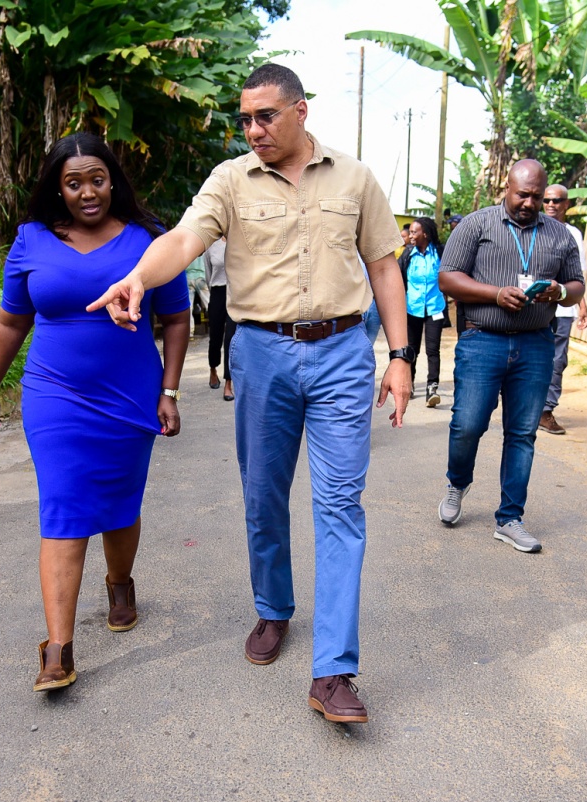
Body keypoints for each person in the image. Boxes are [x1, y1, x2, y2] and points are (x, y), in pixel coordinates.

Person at [88, 63, 413, 724]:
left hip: (344, 352)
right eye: (245, 119)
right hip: (261, 353)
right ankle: (273, 608)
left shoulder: (355, 178)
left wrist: (401, 355)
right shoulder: (230, 180)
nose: (253, 129)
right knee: (264, 494)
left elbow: (383, 263)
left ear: (300, 111)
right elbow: (184, 238)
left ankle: (334, 670)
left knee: (341, 506)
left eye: (265, 116)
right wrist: (139, 280)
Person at [0, 134, 190, 692]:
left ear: (113, 179)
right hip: (54, 394)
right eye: (74, 183)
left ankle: (120, 582)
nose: (87, 192)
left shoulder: (150, 241)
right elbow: (10, 323)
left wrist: (170, 390)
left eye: (97, 179)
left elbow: (175, 320)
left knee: (121, 501)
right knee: (64, 506)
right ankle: (59, 649)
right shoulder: (30, 240)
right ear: (58, 187)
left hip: (128, 393)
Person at [436, 159, 585, 553]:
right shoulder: (477, 225)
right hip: (482, 339)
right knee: (467, 424)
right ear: (507, 186)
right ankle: (457, 482)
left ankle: (510, 518)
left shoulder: (560, 235)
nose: (529, 203)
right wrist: (495, 293)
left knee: (522, 433)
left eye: (537, 196)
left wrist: (560, 292)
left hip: (536, 343)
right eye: (522, 194)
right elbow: (448, 276)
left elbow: (577, 285)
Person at [539, 184, 587, 435]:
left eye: (556, 200)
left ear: (566, 204)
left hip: (562, 309)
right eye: (546, 200)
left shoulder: (573, 234)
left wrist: (582, 305)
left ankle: (546, 411)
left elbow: (577, 275)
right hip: (534, 308)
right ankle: (526, 407)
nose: (551, 204)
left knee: (558, 361)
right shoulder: (533, 228)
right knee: (532, 357)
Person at [400, 216, 447, 407]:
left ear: (425, 234)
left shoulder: (440, 252)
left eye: (414, 232)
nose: (410, 236)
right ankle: (409, 384)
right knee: (412, 348)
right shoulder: (408, 254)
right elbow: (398, 276)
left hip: (435, 307)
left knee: (433, 349)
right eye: (410, 232)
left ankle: (431, 389)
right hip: (413, 308)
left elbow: (450, 275)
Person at [203, 236, 236, 400]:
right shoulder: (211, 246)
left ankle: (228, 382)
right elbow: (208, 275)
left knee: (230, 338)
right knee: (215, 336)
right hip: (217, 293)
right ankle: (213, 368)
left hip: (234, 294)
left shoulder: (237, 242)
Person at [186, 255, 210, 337]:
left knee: (188, 307)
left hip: (188, 278)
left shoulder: (186, 247)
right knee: (210, 304)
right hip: (201, 277)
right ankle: (217, 325)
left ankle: (190, 332)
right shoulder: (201, 246)